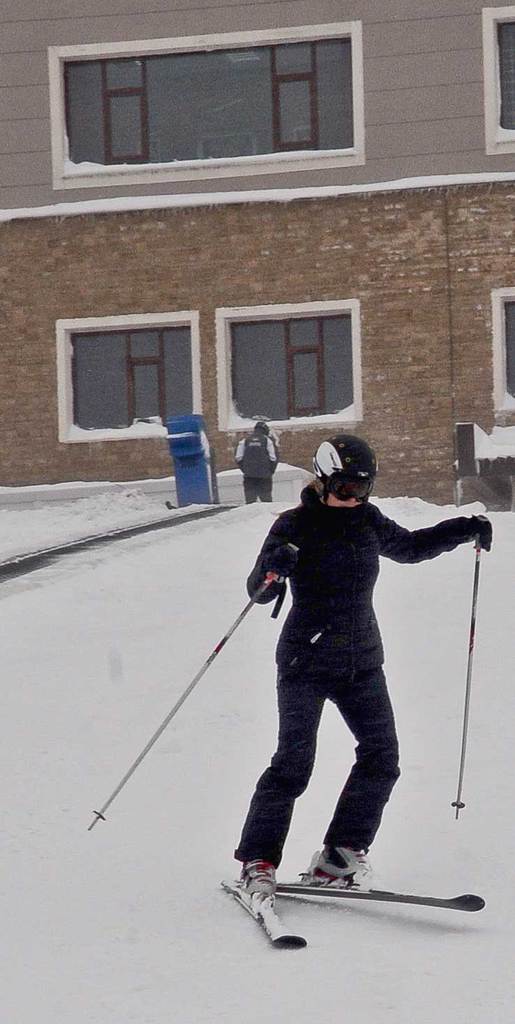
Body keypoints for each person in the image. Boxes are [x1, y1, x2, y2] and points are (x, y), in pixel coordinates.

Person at [234, 433, 492, 896]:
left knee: (382, 757)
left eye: (363, 488)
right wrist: (273, 568)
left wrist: (462, 528)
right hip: (305, 660)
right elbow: (260, 590)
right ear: (323, 479)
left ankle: (340, 856)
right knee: (294, 764)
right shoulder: (294, 526)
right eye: (347, 488)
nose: (355, 498)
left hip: (361, 663)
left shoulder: (368, 521)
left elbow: (410, 548)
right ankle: (258, 860)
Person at [235, 421, 278, 503]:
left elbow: (238, 457)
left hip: (249, 476)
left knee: (250, 502)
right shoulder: (267, 440)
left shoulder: (245, 440)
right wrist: (270, 471)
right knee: (266, 501)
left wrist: (245, 469)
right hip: (264, 476)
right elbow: (273, 458)